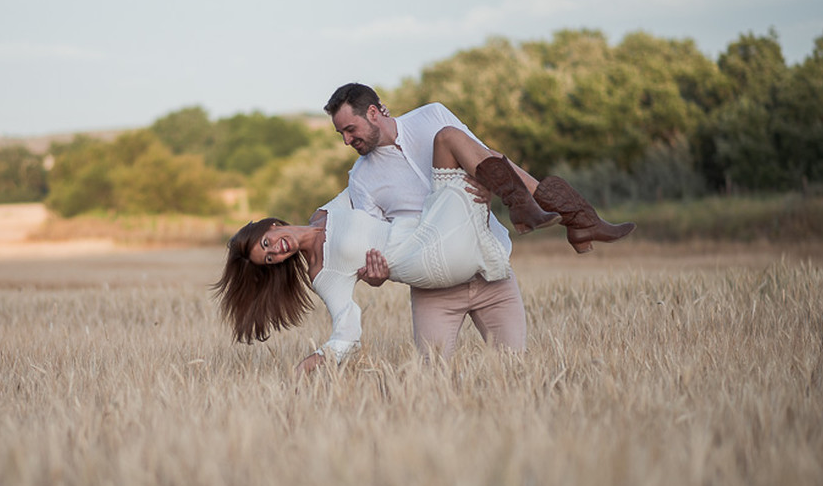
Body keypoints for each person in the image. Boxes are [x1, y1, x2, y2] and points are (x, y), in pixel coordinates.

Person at [324, 82, 634, 359]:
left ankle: (576, 216)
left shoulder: (431, 116)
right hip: (436, 287)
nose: (347, 141)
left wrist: (489, 182)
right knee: (432, 384)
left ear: (375, 112)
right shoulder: (361, 179)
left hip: (490, 270)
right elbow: (379, 241)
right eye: (342, 134)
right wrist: (376, 275)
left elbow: (485, 157)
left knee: (513, 373)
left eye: (351, 130)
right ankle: (572, 219)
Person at [214, 158, 516, 373]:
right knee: (447, 140)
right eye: (269, 260)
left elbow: (368, 181)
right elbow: (347, 332)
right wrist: (312, 362)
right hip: (426, 259)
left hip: (429, 232)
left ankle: (527, 203)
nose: (276, 252)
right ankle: (531, 203)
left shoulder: (326, 212)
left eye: (267, 243)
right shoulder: (321, 272)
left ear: (271, 225)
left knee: (513, 366)